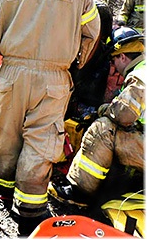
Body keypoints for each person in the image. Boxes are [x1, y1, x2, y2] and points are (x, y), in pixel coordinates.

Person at [0, 0, 101, 235]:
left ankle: (4, 193)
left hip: (13, 73)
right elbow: (92, 30)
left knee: (6, 134)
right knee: (41, 140)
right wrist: (76, 64)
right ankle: (30, 211)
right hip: (55, 76)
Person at [49, 27, 145, 206]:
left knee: (103, 129)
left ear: (122, 57)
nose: (114, 67)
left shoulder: (140, 75)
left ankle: (79, 192)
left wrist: (103, 110)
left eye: (113, 60)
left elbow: (124, 115)